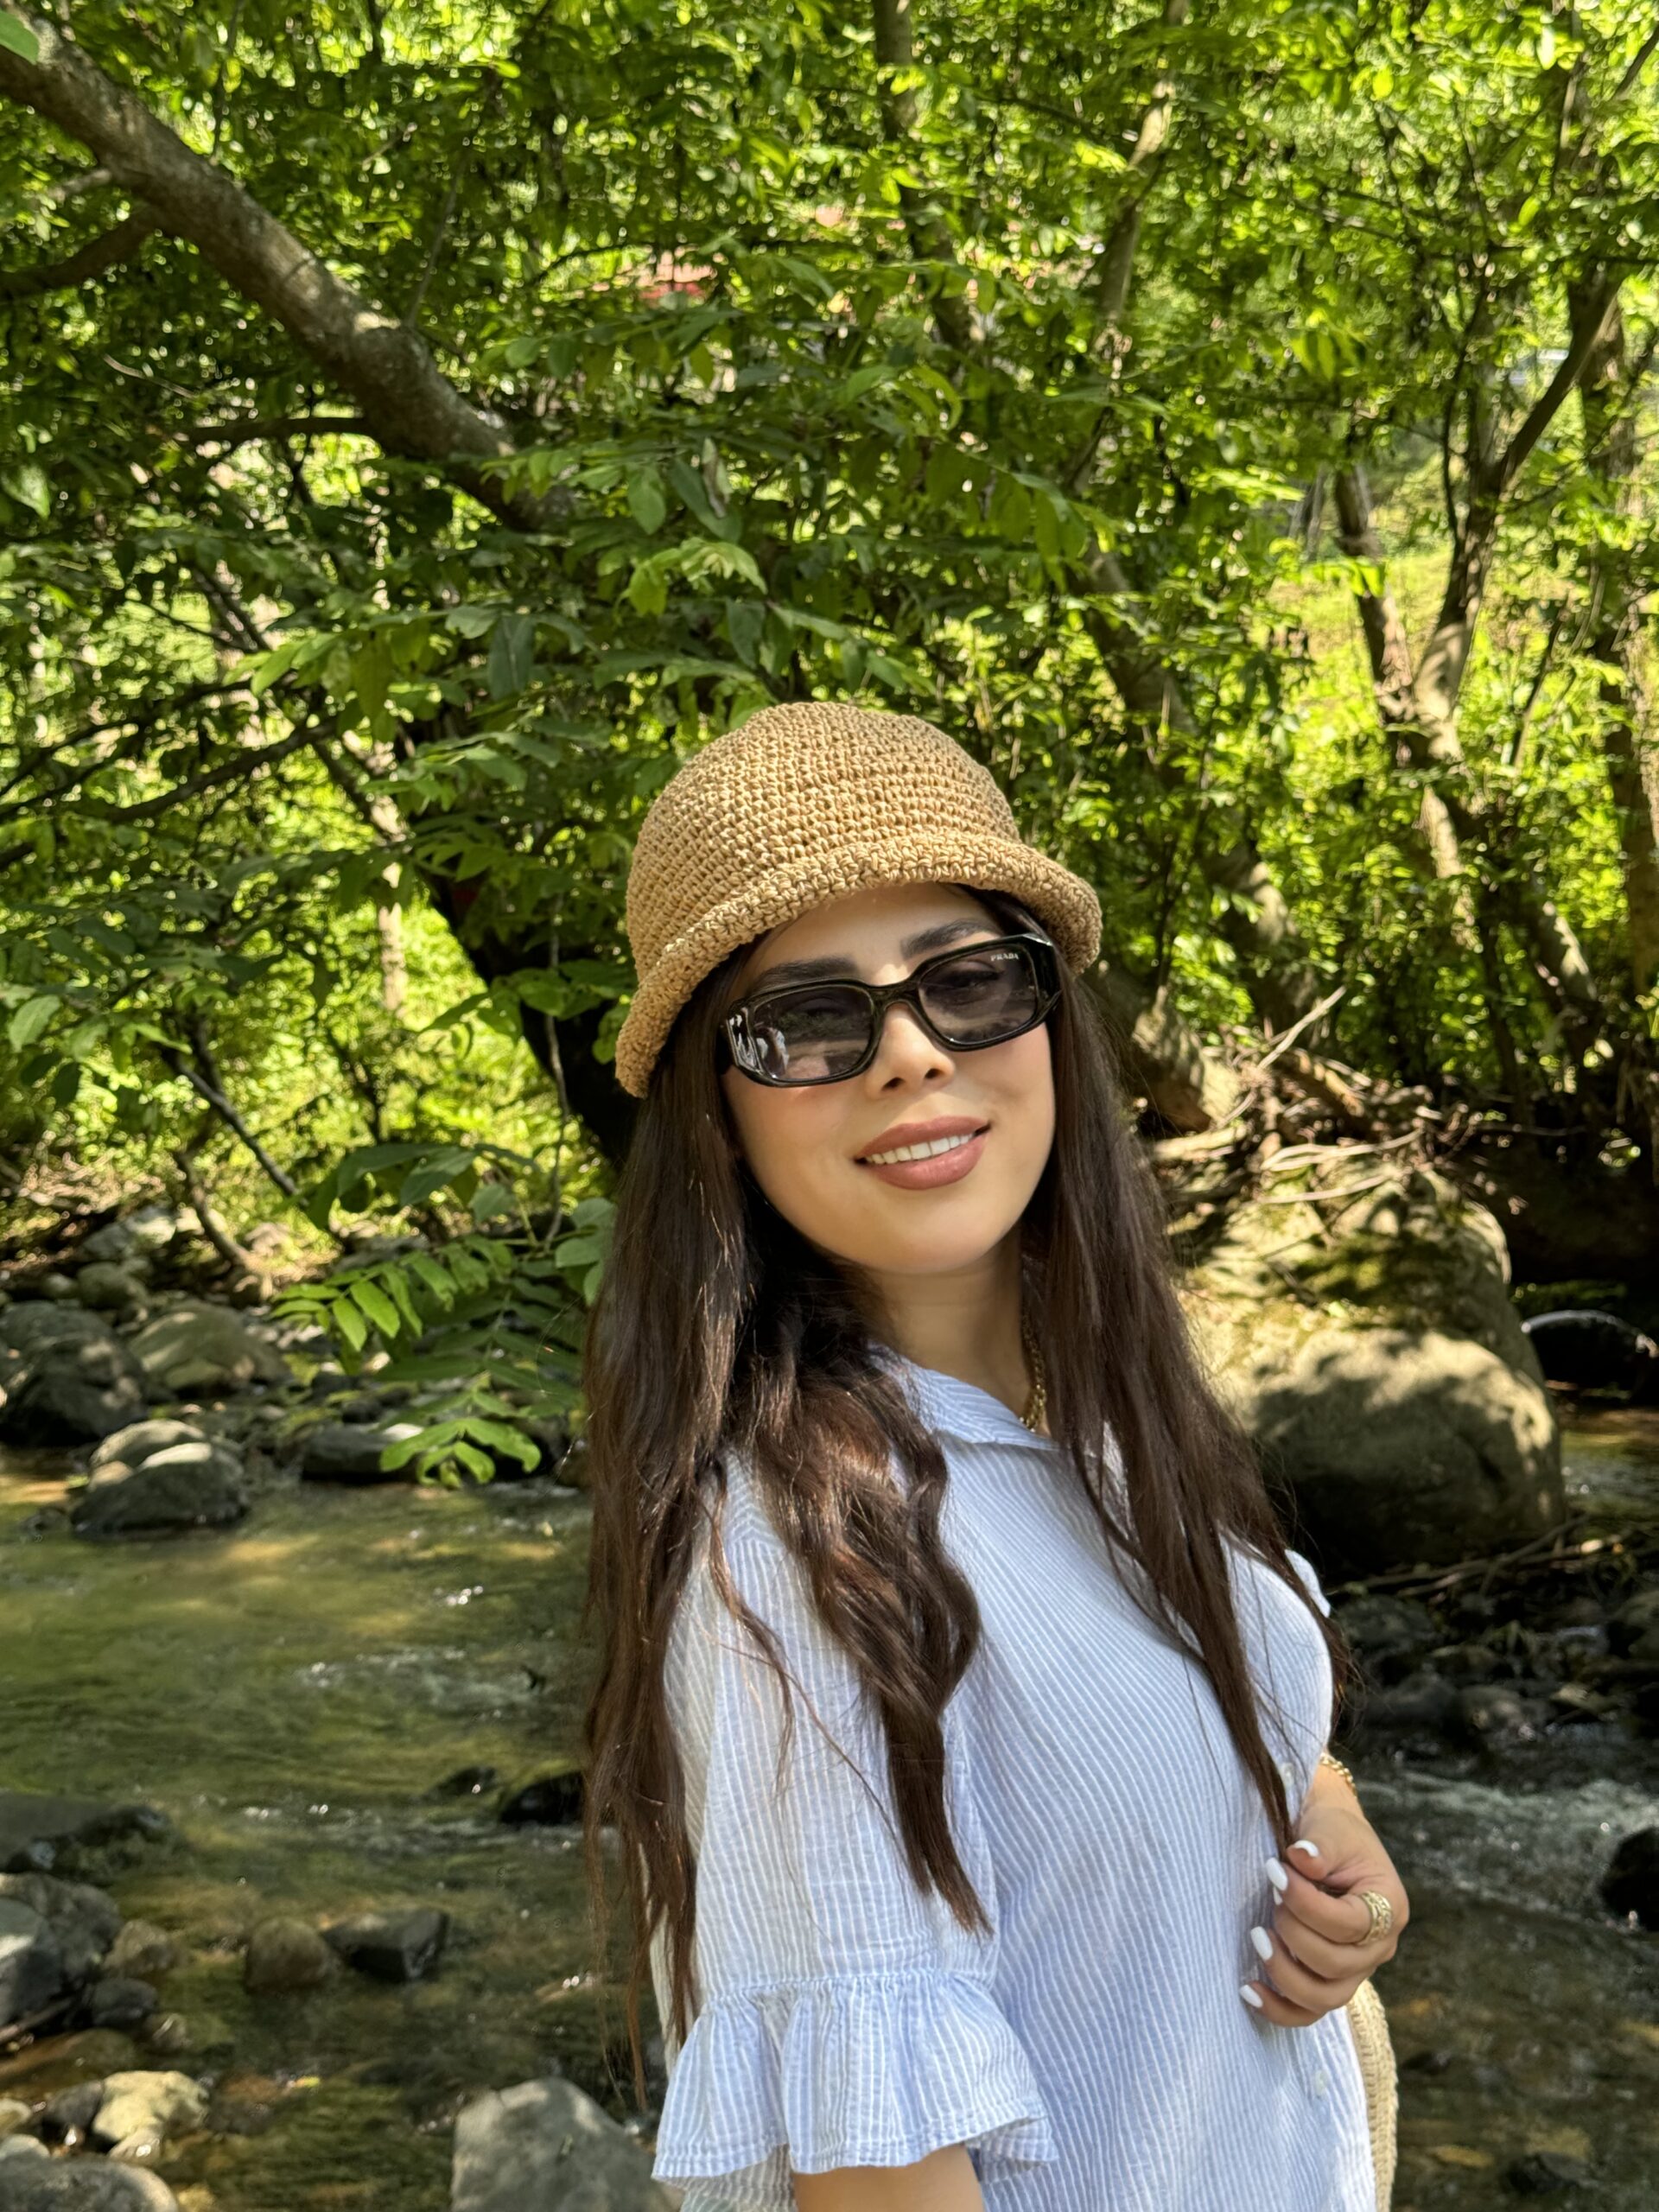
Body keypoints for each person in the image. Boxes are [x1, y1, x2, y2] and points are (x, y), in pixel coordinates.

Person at [579, 702, 1408, 2212]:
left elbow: (1214, 1670)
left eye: (968, 981)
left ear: (1047, 1018)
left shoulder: (1108, 1406)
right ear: (718, 1112)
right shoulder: (793, 1551)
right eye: (808, 1021)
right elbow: (880, 2172)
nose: (911, 1054)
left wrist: (1316, 1809)